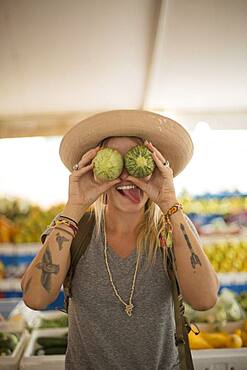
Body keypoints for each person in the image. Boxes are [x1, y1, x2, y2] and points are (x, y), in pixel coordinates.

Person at [21, 110, 219, 370]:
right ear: (96, 168)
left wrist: (169, 202)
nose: (127, 174)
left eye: (136, 159)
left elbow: (205, 300)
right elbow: (35, 298)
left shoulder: (172, 228)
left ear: (154, 165)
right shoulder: (74, 229)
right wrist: (75, 206)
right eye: (114, 161)